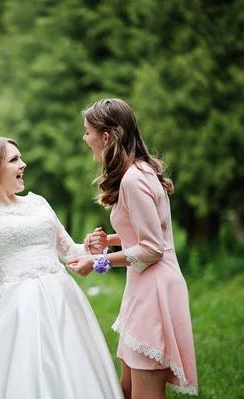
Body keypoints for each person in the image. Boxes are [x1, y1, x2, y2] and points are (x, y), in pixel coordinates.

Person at [0, 137, 123, 399]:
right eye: (14, 160)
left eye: (20, 158)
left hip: (63, 300)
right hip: (16, 308)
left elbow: (69, 250)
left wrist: (90, 248)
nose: (23, 164)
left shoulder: (38, 203)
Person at [68, 99, 198, 398]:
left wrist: (98, 262)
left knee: (143, 394)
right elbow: (151, 232)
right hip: (143, 287)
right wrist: (109, 241)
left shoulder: (133, 180)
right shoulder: (138, 171)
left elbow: (153, 248)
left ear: (106, 137)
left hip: (155, 290)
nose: (84, 138)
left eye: (87, 131)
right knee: (127, 388)